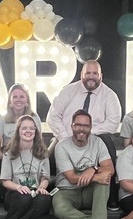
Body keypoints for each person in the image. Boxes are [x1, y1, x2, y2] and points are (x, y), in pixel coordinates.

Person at [47, 60, 122, 206]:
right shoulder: (68, 91)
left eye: (95, 73)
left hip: (95, 138)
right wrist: (67, 137)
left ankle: (111, 195)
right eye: (88, 73)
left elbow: (113, 122)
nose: (91, 77)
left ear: (101, 75)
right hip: (66, 135)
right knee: (49, 151)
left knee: (108, 143)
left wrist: (86, 132)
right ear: (81, 75)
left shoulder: (109, 95)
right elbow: (53, 117)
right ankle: (50, 191)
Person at [50, 110, 114, 219]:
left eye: (85, 126)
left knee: (104, 179)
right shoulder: (61, 146)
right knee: (59, 208)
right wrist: (95, 176)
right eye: (78, 125)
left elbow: (110, 168)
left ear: (90, 127)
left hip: (89, 192)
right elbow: (72, 178)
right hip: (67, 191)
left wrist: (94, 169)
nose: (82, 129)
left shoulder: (98, 142)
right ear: (72, 126)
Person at [0, 114, 52, 219]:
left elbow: (45, 177)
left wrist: (42, 188)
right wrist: (18, 187)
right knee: (25, 196)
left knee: (45, 199)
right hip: (15, 194)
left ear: (36, 131)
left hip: (34, 193)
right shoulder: (9, 152)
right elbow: (5, 181)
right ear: (18, 131)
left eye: (32, 128)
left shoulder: (42, 152)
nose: (28, 131)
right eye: (24, 128)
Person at [0, 84, 42, 159]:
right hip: (7, 156)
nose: (18, 99)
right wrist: (3, 159)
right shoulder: (2, 118)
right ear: (10, 100)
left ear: (27, 100)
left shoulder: (34, 117)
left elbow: (38, 141)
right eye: (15, 97)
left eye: (22, 97)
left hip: (29, 157)